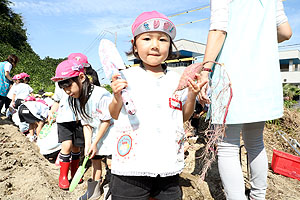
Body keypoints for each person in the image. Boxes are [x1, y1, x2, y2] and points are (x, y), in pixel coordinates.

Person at [199, 0, 292, 199]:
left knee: (227, 146)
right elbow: (286, 32)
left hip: (231, 77)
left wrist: (205, 70)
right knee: (255, 142)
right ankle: (258, 196)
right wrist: (258, 40)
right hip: (262, 78)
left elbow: (218, 30)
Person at [109, 11, 206, 200]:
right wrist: (116, 96)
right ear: (135, 46)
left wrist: (192, 95)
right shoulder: (126, 76)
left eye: (162, 40)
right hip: (131, 168)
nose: (155, 45)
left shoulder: (177, 80)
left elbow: (182, 117)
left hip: (167, 166)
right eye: (147, 38)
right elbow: (114, 113)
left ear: (170, 47)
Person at [51, 59, 113, 200]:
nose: (67, 91)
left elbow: (106, 121)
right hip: (96, 133)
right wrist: (88, 144)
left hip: (111, 132)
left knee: (110, 162)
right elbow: (86, 124)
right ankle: (94, 191)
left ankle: (111, 189)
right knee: (95, 161)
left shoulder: (100, 94)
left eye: (69, 86)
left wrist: (95, 142)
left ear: (81, 77)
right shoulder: (76, 99)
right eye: (63, 88)